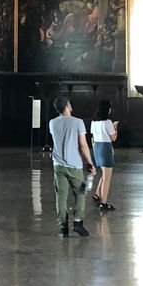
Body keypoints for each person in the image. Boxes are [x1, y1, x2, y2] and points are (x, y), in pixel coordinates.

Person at [49, 96, 95, 238]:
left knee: (61, 197)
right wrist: (90, 163)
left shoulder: (52, 122)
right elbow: (83, 145)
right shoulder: (78, 122)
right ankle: (78, 222)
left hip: (58, 165)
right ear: (68, 105)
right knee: (80, 193)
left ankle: (63, 227)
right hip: (74, 165)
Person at [90, 100, 119, 212]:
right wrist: (115, 128)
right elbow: (113, 138)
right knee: (107, 178)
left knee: (104, 174)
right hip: (105, 148)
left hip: (96, 147)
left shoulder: (94, 122)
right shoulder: (107, 122)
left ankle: (97, 194)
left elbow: (92, 135)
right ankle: (104, 203)